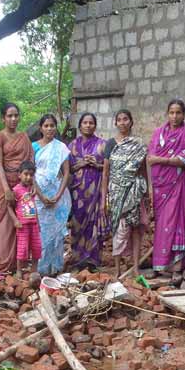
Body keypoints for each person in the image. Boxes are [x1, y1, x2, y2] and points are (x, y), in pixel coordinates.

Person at [147, 99, 185, 283]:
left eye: (178, 113)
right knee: (162, 225)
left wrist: (161, 159)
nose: (174, 116)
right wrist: (167, 159)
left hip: (178, 185)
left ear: (184, 114)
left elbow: (184, 159)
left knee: (177, 223)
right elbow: (150, 158)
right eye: (171, 112)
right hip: (160, 187)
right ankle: (161, 265)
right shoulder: (158, 133)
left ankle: (177, 268)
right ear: (167, 114)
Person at [102, 109, 151, 278]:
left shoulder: (138, 144)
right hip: (116, 193)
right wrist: (104, 199)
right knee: (118, 229)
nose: (122, 122)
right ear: (115, 123)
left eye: (125, 119)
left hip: (135, 191)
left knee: (136, 229)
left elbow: (143, 170)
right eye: (119, 120)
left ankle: (136, 267)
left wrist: (146, 194)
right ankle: (117, 269)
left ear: (131, 122)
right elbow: (106, 173)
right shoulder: (110, 144)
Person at [0, 103, 33, 274]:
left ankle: (19, 265)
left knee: (22, 221)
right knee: (4, 222)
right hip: (4, 183)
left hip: (22, 183)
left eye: (16, 115)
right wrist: (7, 189)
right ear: (3, 118)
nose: (13, 119)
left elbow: (31, 162)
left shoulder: (24, 137)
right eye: (9, 116)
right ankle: (2, 265)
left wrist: (31, 185)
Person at [32, 114, 72, 275]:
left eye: (52, 126)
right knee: (42, 232)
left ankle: (55, 268)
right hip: (39, 195)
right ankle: (41, 269)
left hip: (58, 195)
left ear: (56, 127)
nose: (49, 129)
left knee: (56, 233)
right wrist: (41, 196)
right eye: (46, 126)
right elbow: (30, 172)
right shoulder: (33, 147)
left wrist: (58, 195)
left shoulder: (61, 148)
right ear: (41, 128)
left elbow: (66, 172)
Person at [69, 113, 109, 269]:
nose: (88, 125)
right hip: (77, 193)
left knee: (93, 224)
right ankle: (77, 259)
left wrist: (96, 165)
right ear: (80, 126)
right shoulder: (72, 145)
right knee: (77, 224)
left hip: (96, 193)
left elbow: (107, 169)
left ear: (95, 126)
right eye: (85, 122)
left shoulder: (102, 144)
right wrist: (80, 164)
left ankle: (93, 260)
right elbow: (67, 170)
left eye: (91, 123)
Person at [11, 161, 41, 278]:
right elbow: (9, 207)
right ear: (19, 174)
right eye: (26, 174)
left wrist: (38, 222)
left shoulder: (32, 189)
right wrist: (15, 220)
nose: (28, 177)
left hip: (33, 223)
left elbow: (34, 205)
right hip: (22, 225)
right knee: (22, 248)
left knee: (36, 247)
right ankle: (19, 270)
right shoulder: (16, 190)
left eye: (31, 175)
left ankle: (34, 270)